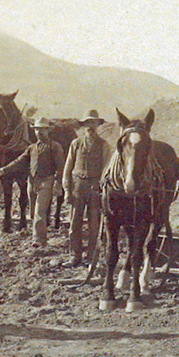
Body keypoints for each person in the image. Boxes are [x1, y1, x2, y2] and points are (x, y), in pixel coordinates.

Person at [0, 117, 65, 247]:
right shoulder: (32, 148)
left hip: (46, 181)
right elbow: (19, 162)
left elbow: (60, 166)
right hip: (32, 181)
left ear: (48, 131)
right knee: (33, 213)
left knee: (39, 211)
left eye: (42, 130)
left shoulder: (54, 147)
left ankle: (39, 240)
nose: (39, 132)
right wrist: (2, 171)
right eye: (37, 130)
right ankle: (37, 237)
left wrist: (57, 183)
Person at [63, 109, 111, 266]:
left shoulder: (104, 145)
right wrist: (67, 190)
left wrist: (100, 187)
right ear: (84, 125)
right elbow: (68, 168)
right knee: (74, 223)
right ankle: (74, 256)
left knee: (94, 225)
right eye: (87, 123)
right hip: (77, 186)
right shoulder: (76, 143)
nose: (90, 126)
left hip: (94, 186)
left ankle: (92, 257)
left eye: (93, 123)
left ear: (98, 125)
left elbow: (105, 168)